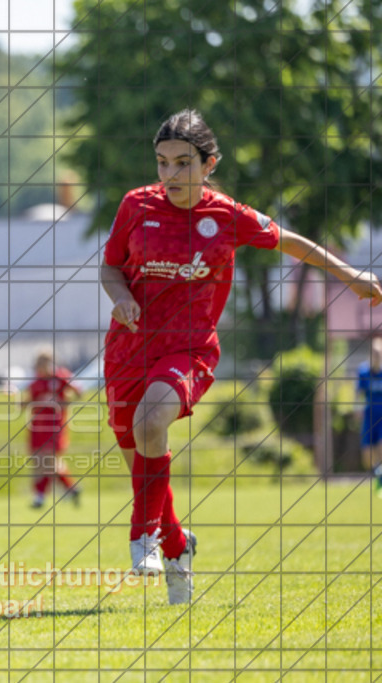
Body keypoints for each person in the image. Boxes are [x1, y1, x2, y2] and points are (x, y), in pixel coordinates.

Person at [100, 109, 382, 605]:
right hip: (128, 349)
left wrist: (351, 275)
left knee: (150, 424)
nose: (170, 175)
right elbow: (110, 269)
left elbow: (294, 243)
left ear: (209, 165)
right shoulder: (135, 206)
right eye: (162, 163)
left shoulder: (227, 216)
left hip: (188, 351)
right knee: (142, 459)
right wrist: (120, 297)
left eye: (183, 163)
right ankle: (176, 544)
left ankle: (140, 536)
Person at [22, 348, 81, 508]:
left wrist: (64, 401)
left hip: (55, 426)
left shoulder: (61, 377)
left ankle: (40, 497)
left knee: (48, 461)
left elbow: (78, 390)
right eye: (39, 364)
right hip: (37, 427)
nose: (42, 368)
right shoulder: (36, 383)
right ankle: (71, 489)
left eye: (45, 363)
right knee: (40, 462)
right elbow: (26, 403)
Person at [356, 337, 382, 495]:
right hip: (368, 417)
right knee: (367, 455)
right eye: (375, 353)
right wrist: (356, 409)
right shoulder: (363, 372)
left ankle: (380, 476)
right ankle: (377, 472)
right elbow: (358, 393)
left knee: (381, 447)